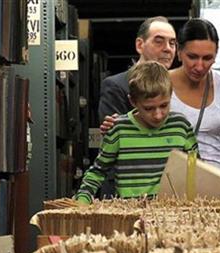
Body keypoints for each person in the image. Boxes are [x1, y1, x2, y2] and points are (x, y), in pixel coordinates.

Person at [75, 61, 198, 204]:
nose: (158, 115)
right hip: (129, 213)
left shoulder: (181, 126)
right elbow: (98, 171)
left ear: (171, 94)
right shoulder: (119, 130)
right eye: (149, 108)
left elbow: (195, 169)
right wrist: (81, 201)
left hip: (172, 213)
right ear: (133, 101)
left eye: (164, 105)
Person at [169, 18, 220, 168]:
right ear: (179, 52)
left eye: (207, 58)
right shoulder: (161, 84)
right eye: (192, 57)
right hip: (174, 175)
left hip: (219, 174)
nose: (199, 66)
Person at [98, 16, 177, 124]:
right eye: (159, 41)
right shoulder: (116, 86)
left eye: (172, 43)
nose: (167, 48)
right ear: (140, 45)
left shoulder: (178, 83)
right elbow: (114, 133)